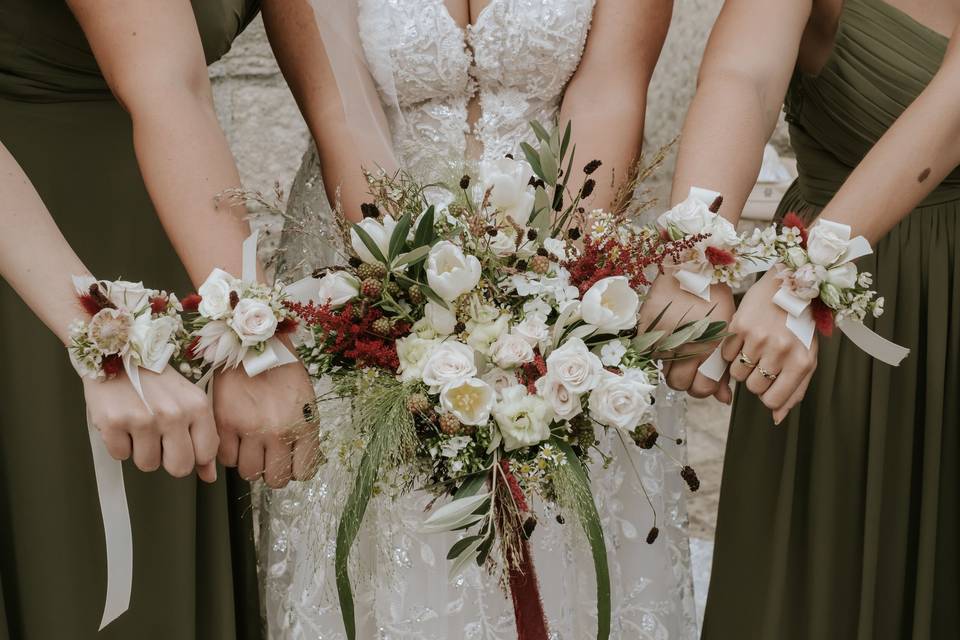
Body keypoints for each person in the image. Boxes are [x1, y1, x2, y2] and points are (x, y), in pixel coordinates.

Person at [256, 0, 700, 638]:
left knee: (565, 501)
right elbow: (342, 112)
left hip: (567, 229)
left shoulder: (564, 266)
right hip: (370, 242)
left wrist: (552, 296)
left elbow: (609, 92)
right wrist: (408, 302)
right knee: (394, 510)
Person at [0, 1, 317, 637]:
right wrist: (105, 337)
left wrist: (243, 329)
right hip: (28, 254)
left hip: (159, 241)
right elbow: (166, 82)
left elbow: (174, 86)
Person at [670, 0, 960, 637]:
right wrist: (698, 260)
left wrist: (803, 277)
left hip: (826, 278)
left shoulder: (800, 279)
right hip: (864, 312)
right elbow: (744, 76)